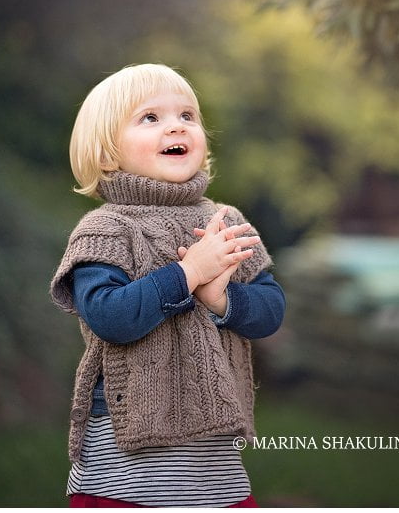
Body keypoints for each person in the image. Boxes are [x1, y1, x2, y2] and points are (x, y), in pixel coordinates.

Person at [50, 63, 286, 507]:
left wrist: (222, 299)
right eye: (150, 118)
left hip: (214, 456)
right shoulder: (105, 229)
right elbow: (111, 317)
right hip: (127, 461)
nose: (175, 126)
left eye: (187, 116)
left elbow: (271, 309)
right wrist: (187, 275)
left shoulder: (225, 222)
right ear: (106, 154)